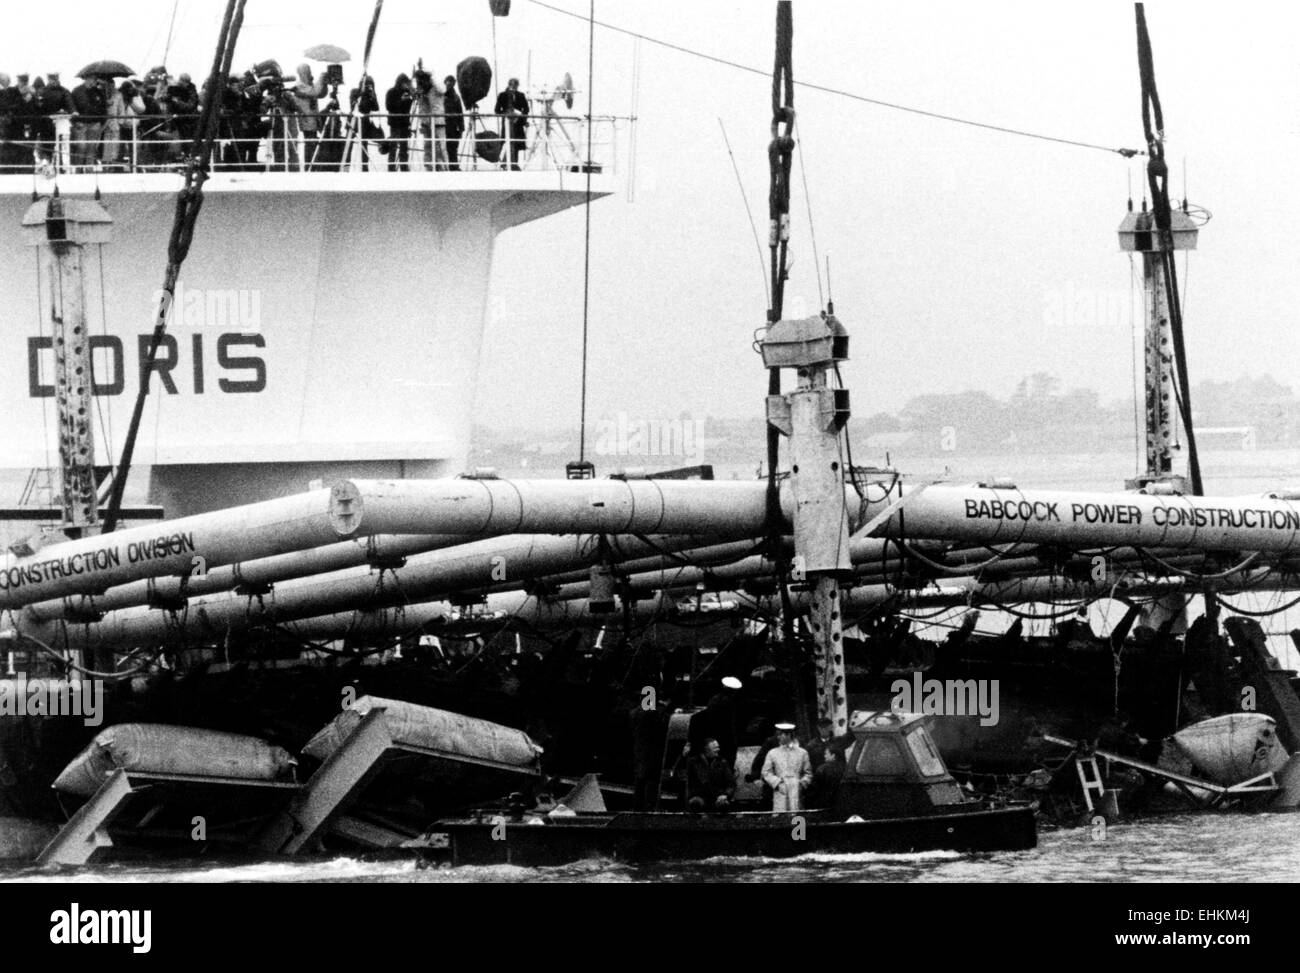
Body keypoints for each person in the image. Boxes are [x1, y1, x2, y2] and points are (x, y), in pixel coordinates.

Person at [760, 722, 812, 812]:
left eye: (781, 734)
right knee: (781, 817)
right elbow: (766, 772)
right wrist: (777, 783)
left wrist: (801, 784)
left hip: (796, 791)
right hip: (780, 790)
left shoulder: (802, 753)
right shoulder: (772, 753)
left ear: (789, 735)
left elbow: (808, 773)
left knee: (797, 816)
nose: (778, 737)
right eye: (778, 735)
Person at [687, 738, 736, 811]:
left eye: (718, 747)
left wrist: (725, 795)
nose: (718, 749)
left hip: (718, 796)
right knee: (695, 803)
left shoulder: (722, 762)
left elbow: (731, 783)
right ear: (706, 748)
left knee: (723, 804)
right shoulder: (693, 762)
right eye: (715, 747)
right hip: (699, 796)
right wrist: (692, 795)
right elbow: (686, 782)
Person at [493, 76, 529, 170]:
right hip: (507, 123)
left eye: (515, 85)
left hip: (518, 124)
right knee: (506, 142)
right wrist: (506, 114)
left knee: (516, 144)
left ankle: (514, 164)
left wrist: (521, 117)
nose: (514, 87)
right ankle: (503, 163)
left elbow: (526, 109)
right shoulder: (502, 95)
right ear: (509, 85)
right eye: (512, 85)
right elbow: (497, 110)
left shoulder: (521, 95)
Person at [292, 64, 328, 159]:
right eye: (307, 71)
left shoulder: (309, 85)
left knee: (313, 144)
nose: (309, 73)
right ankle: (309, 166)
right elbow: (314, 92)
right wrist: (321, 78)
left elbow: (321, 94)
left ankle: (312, 165)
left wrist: (325, 83)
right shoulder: (299, 86)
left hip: (313, 119)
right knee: (310, 144)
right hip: (307, 120)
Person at [384, 73, 412, 170]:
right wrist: (401, 100)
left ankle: (404, 167)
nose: (406, 85)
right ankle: (391, 168)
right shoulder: (391, 92)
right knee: (393, 147)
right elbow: (388, 106)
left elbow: (408, 108)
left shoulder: (408, 92)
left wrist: (409, 99)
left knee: (404, 148)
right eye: (405, 83)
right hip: (395, 124)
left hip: (404, 123)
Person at [442, 74, 463, 170]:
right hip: (442, 125)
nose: (449, 84)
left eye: (451, 82)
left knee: (453, 147)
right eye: (447, 81)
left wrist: (461, 128)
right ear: (445, 82)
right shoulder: (441, 96)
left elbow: (460, 113)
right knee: (442, 146)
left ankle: (454, 166)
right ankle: (443, 167)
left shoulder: (456, 97)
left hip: (453, 125)